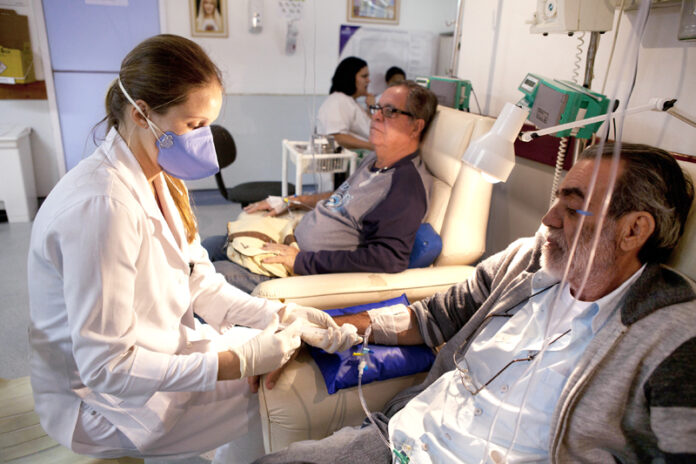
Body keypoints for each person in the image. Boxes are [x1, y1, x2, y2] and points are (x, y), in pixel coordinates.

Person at [26, 34, 359, 461]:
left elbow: (200, 283)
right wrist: (236, 363)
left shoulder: (162, 177)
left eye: (208, 125)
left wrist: (278, 315)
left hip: (159, 350)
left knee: (282, 358)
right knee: (286, 390)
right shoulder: (103, 207)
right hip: (103, 402)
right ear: (142, 114)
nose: (204, 140)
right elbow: (107, 368)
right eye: (194, 125)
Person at [253, 142, 696, 463]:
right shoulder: (526, 260)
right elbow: (428, 318)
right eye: (556, 199)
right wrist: (329, 330)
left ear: (633, 230)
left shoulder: (672, 337)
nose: (548, 218)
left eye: (572, 208)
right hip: (400, 443)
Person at [206, 80, 438, 293]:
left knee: (206, 278)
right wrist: (291, 201)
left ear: (416, 127)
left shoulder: (405, 187)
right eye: (376, 108)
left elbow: (387, 259)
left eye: (390, 111)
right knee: (208, 247)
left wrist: (301, 261)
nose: (376, 117)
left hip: (301, 270)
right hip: (291, 239)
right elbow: (342, 197)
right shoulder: (374, 160)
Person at [315, 56, 376, 152]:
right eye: (364, 76)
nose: (368, 80)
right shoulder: (338, 101)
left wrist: (370, 108)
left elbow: (369, 130)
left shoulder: (351, 102)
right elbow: (337, 137)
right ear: (350, 78)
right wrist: (372, 147)